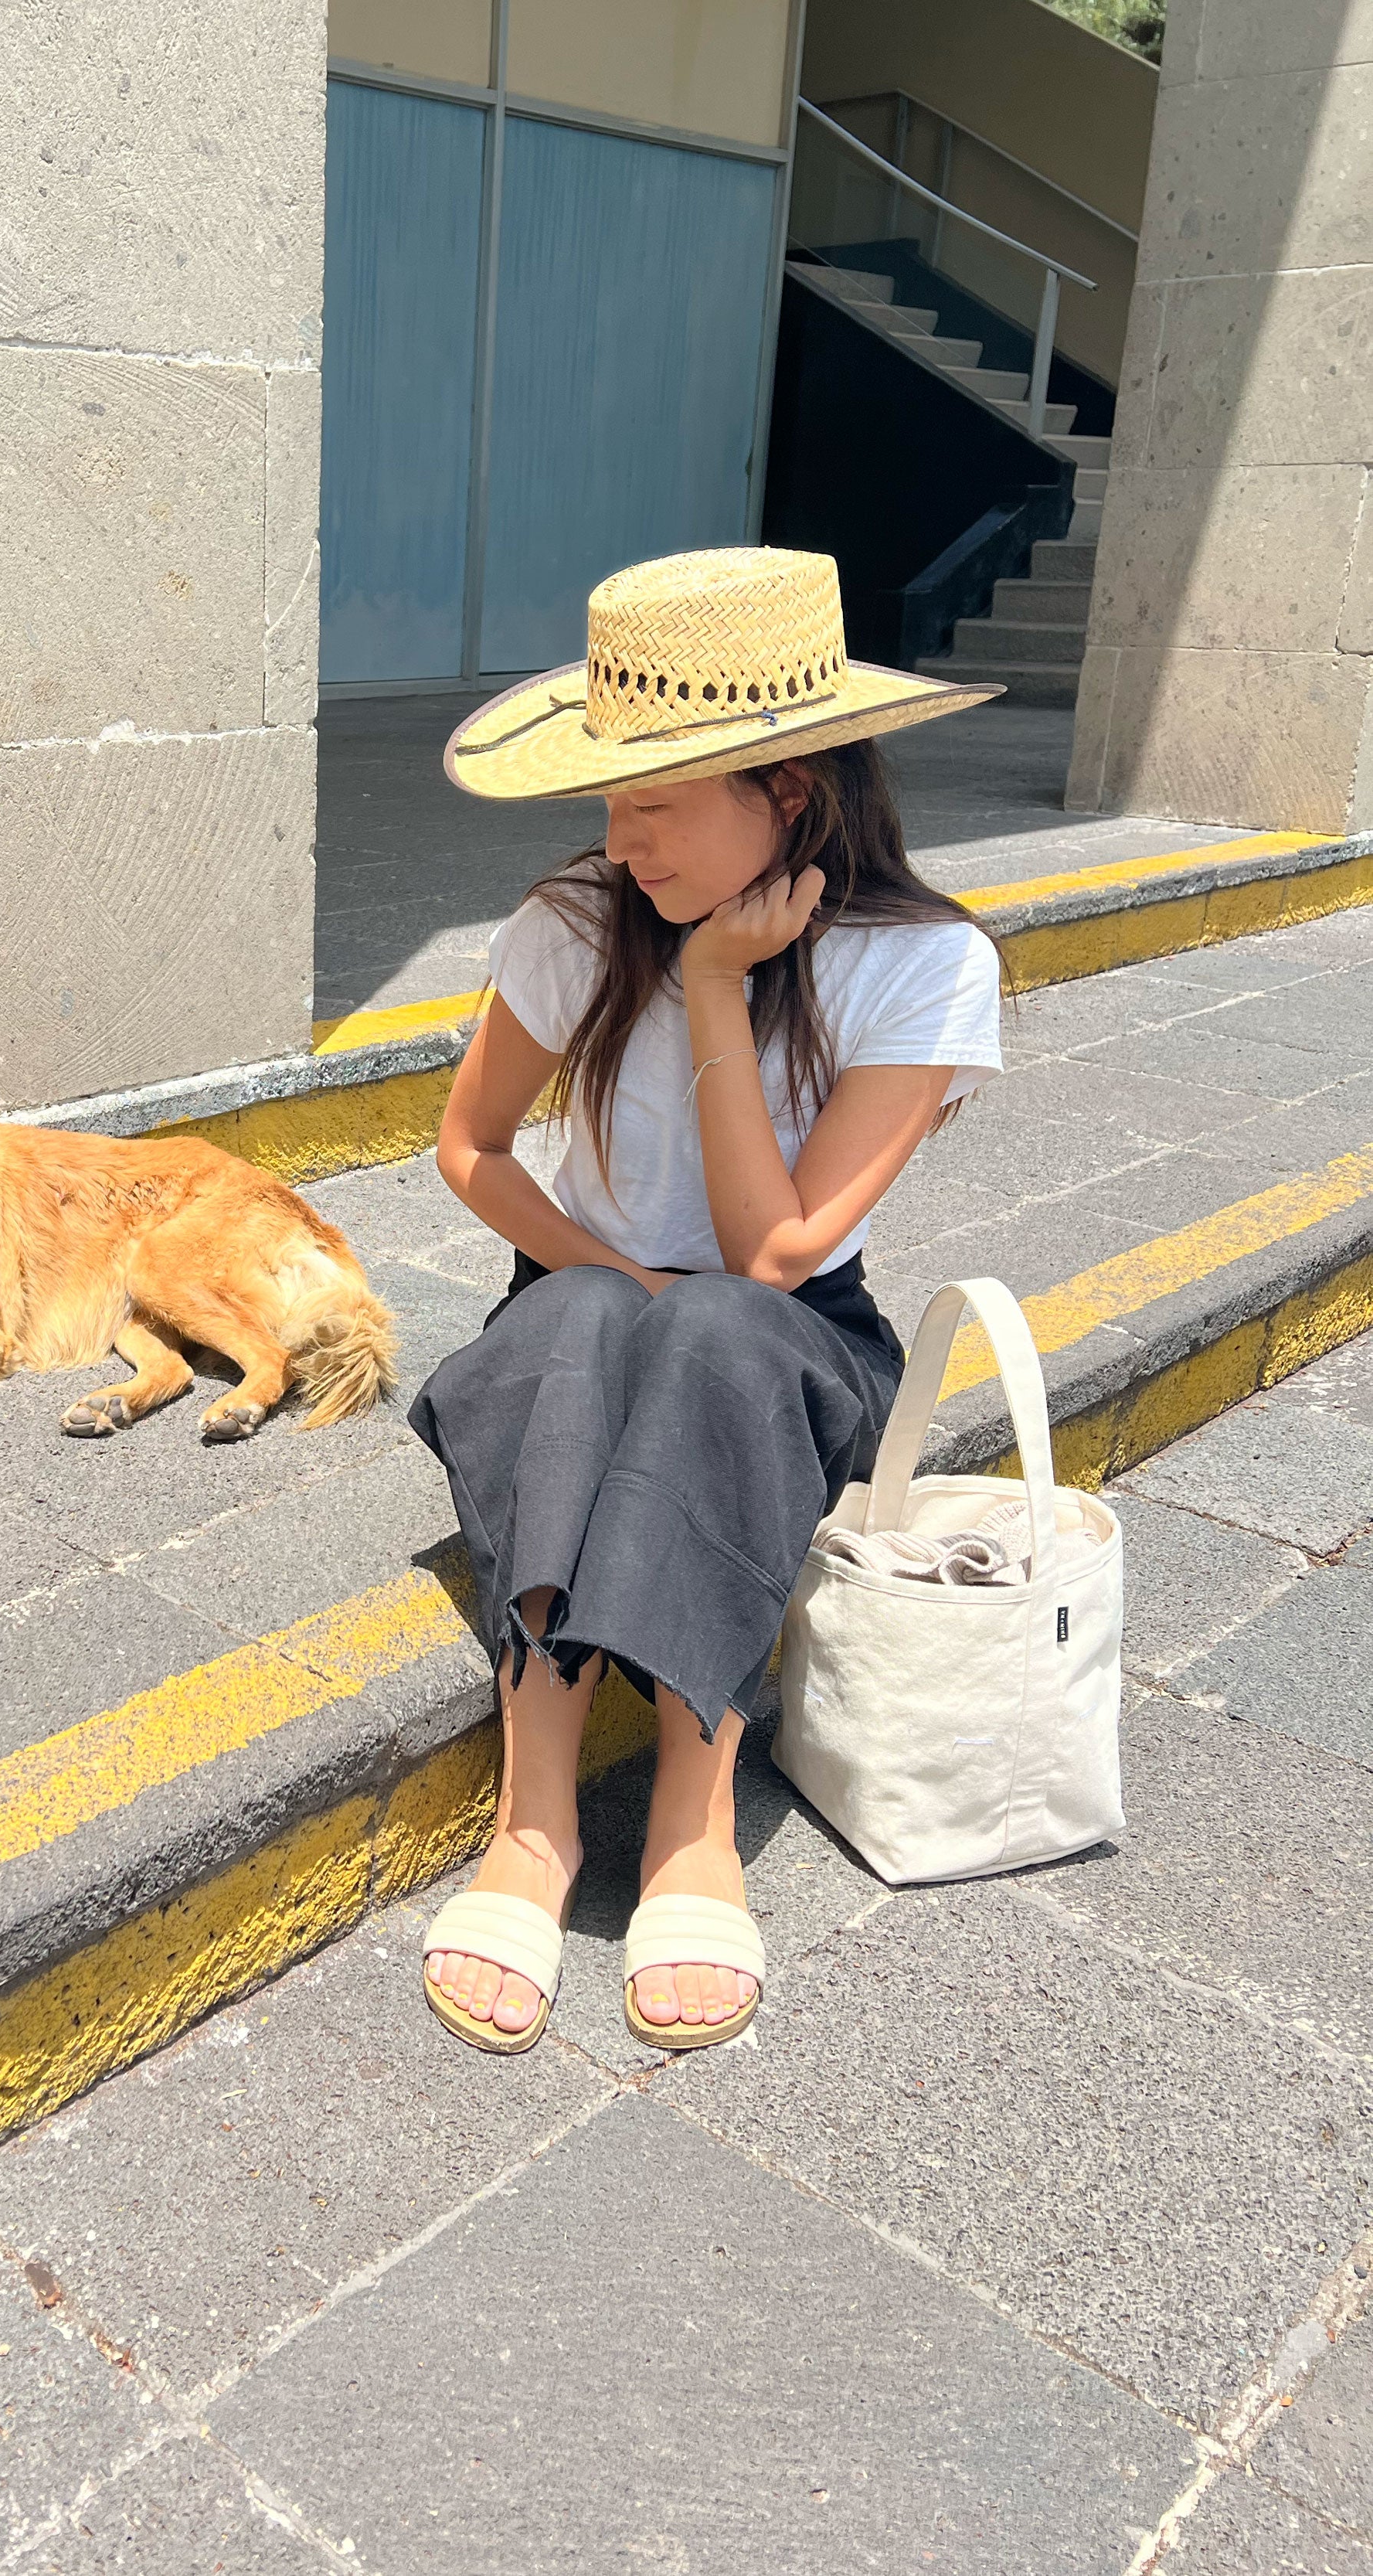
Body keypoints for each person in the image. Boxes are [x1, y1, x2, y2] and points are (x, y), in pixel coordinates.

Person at [409, 547, 1004, 2055]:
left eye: (653, 797)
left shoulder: (921, 963)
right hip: (577, 1316)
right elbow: (469, 1149)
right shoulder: (566, 921)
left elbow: (774, 1252)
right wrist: (606, 1270)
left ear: (787, 789)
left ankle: (691, 1815)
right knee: (615, 1321)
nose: (618, 838)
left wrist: (717, 988)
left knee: (713, 1324)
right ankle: (533, 1814)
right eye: (610, 794)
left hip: (785, 1340)